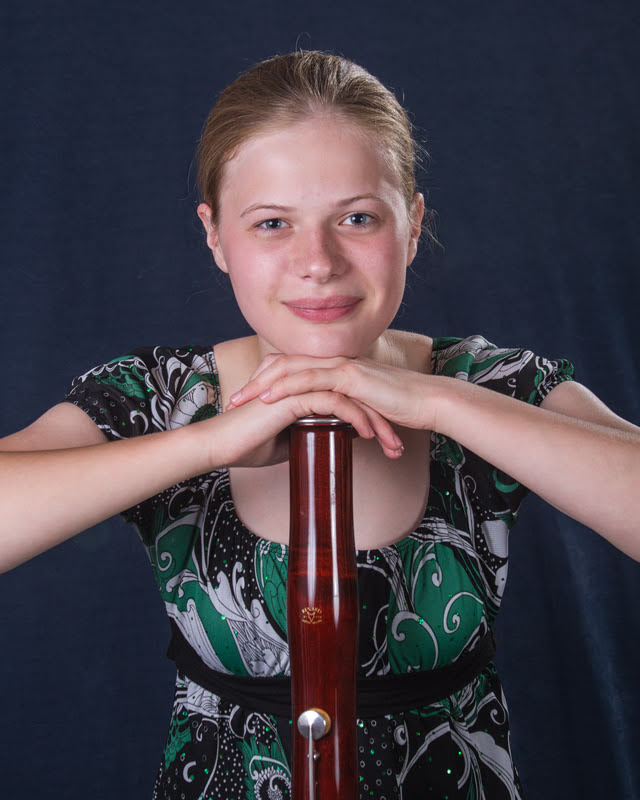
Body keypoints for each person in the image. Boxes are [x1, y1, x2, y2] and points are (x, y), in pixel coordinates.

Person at [1, 50, 639, 800]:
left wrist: (439, 403)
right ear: (215, 236)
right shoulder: (160, 396)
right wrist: (205, 444)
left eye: (357, 218)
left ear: (412, 225)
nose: (318, 262)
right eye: (272, 224)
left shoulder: (492, 385)